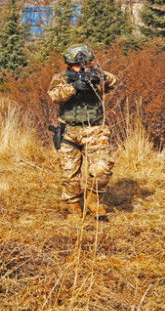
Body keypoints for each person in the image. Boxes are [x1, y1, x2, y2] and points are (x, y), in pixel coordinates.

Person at [46, 44, 119, 218]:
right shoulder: (61, 77)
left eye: (83, 63)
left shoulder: (96, 75)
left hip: (94, 129)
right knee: (70, 175)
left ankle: (92, 200)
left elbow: (114, 82)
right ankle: (73, 207)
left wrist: (99, 77)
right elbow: (54, 95)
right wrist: (74, 87)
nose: (79, 67)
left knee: (102, 168)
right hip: (68, 131)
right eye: (75, 64)